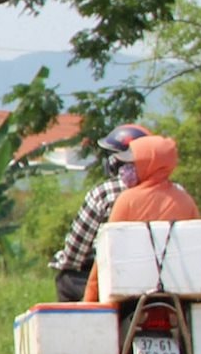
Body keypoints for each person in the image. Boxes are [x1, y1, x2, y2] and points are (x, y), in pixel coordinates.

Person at [49, 122, 149, 302]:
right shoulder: (177, 193)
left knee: (66, 279)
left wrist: (62, 262)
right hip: (158, 281)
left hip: (112, 281)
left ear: (115, 161)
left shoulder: (103, 194)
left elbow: (74, 253)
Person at [110, 132, 200, 224]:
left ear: (149, 165)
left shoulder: (127, 200)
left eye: (133, 163)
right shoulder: (186, 202)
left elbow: (113, 236)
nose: (127, 168)